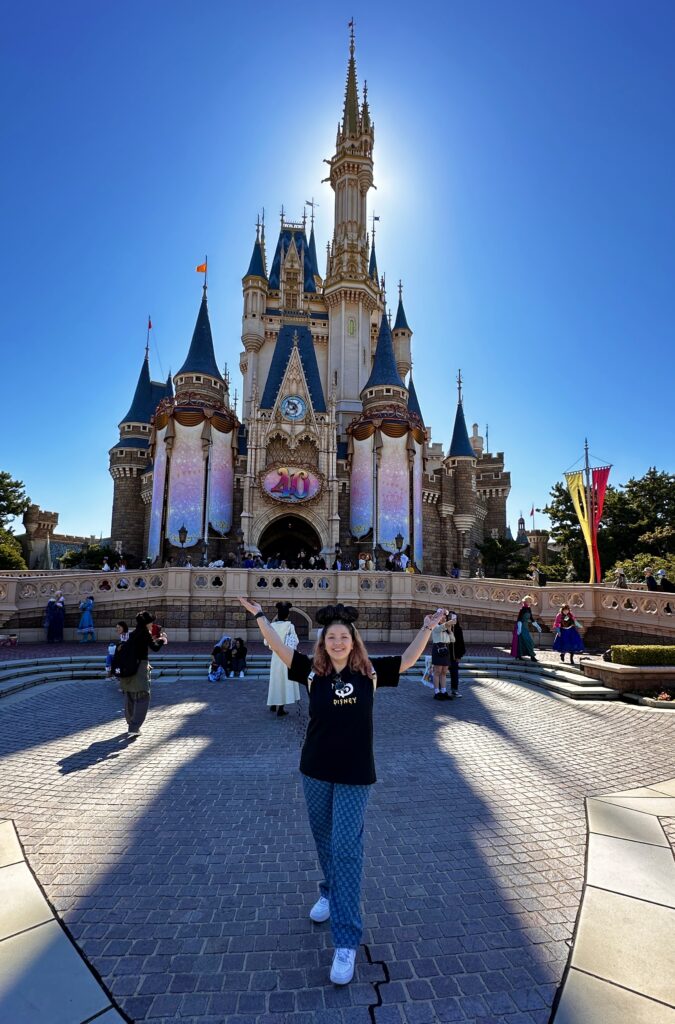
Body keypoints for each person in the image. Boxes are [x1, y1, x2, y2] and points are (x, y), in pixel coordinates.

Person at [237, 597, 448, 986]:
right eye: (331, 637)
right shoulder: (311, 673)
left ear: (353, 641)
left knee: (346, 849)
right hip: (314, 770)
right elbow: (280, 648)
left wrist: (427, 628)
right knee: (324, 842)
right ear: (322, 643)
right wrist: (261, 617)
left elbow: (406, 660)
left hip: (355, 774)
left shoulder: (369, 672)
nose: (337, 642)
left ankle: (346, 941)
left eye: (343, 637)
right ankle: (329, 891)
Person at [113, 611, 168, 738]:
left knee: (130, 695)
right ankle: (134, 727)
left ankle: (130, 722)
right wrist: (162, 640)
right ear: (147, 623)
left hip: (129, 668)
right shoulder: (145, 633)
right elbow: (154, 647)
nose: (152, 625)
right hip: (140, 668)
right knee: (143, 696)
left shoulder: (133, 634)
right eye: (151, 622)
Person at [265, 601, 299, 716]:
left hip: (275, 657)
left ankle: (273, 704)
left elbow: (266, 641)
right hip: (286, 656)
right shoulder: (290, 626)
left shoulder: (271, 626)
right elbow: (295, 641)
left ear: (277, 614)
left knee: (275, 680)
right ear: (287, 615)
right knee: (284, 681)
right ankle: (281, 708)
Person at [510, 596, 541, 661]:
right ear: (525, 601)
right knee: (528, 641)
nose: (530, 603)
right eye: (529, 601)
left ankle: (519, 655)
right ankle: (532, 656)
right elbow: (519, 619)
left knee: (522, 641)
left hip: (525, 627)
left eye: (530, 602)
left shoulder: (529, 609)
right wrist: (519, 629)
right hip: (521, 626)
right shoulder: (522, 609)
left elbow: (531, 619)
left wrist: (537, 626)